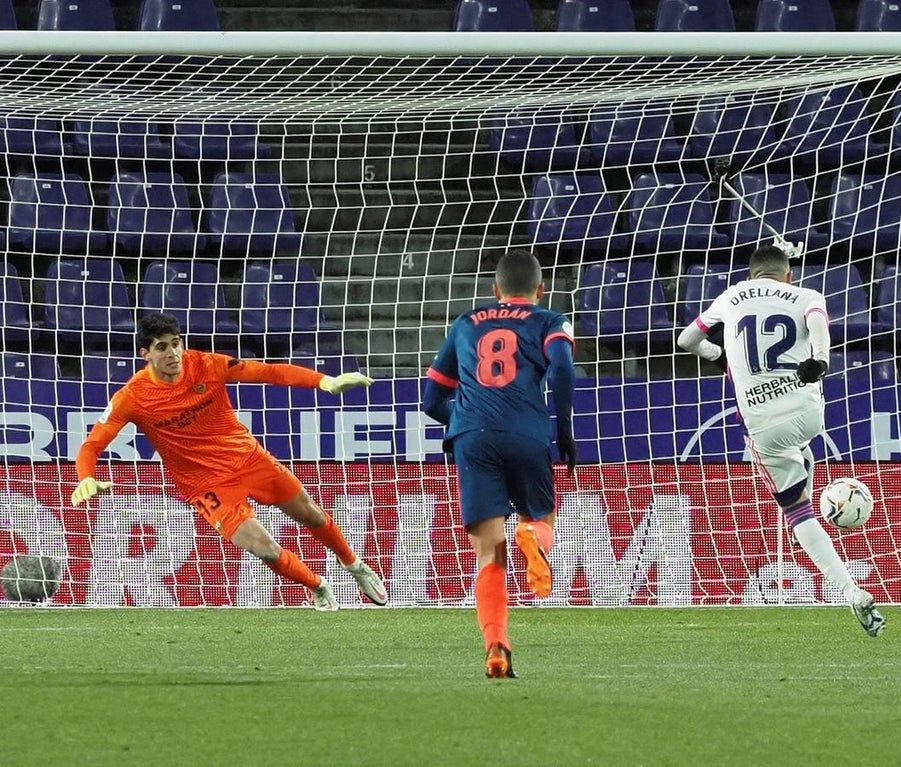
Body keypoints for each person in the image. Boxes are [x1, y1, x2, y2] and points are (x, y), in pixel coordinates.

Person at [70, 312, 389, 611]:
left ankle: (354, 565)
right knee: (264, 548)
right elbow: (92, 445)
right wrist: (86, 476)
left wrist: (324, 382)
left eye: (176, 343)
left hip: (249, 458)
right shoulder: (132, 397)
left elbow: (269, 372)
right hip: (206, 485)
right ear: (146, 354)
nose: (173, 353)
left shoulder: (207, 365)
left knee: (312, 515)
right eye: (162, 347)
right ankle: (316, 585)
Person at [677, 243, 885, 637]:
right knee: (799, 449)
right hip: (807, 412)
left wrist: (721, 358)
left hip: (763, 424)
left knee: (798, 513)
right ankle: (808, 473)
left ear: (751, 274)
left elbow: (687, 339)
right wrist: (820, 360)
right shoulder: (807, 295)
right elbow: (818, 322)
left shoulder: (732, 295)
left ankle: (852, 592)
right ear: (788, 275)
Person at [422, 250, 577, 678]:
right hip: (526, 430)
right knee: (540, 518)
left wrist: (467, 422)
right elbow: (563, 368)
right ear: (540, 289)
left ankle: (496, 646)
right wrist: (564, 428)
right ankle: (532, 535)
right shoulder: (550, 320)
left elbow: (431, 400)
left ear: (496, 290)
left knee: (489, 554)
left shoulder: (465, 323)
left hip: (472, 438)